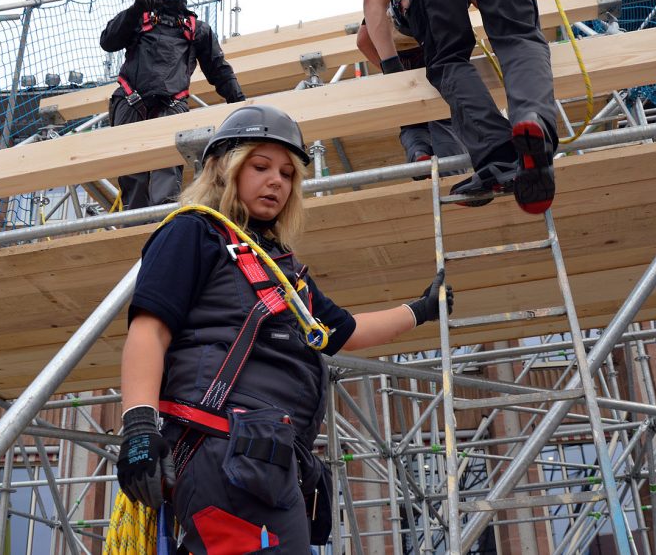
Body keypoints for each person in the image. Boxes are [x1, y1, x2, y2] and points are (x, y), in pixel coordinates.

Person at [115, 104, 453, 554]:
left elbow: (341, 331)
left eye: (288, 173)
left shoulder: (278, 269)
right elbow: (149, 330)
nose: (277, 180)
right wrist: (138, 428)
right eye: (260, 166)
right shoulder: (193, 232)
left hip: (265, 460)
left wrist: (421, 310)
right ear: (224, 170)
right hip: (223, 449)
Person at [401, 0, 560, 214]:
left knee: (447, 59)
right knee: (519, 37)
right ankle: (534, 121)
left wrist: (391, 64)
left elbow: (371, 1)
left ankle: (498, 155)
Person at [100, 0, 246, 210]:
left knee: (166, 178)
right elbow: (108, 41)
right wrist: (135, 11)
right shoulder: (138, 16)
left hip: (171, 105)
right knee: (133, 179)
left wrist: (240, 103)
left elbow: (218, 69)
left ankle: (163, 233)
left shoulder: (197, 29)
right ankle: (135, 234)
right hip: (130, 101)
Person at [358, 0, 466, 174]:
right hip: (426, 59)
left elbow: (363, 40)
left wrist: (391, 69)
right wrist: (392, 68)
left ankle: (419, 154)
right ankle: (452, 169)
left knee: (411, 121)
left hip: (406, 61)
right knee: (442, 113)